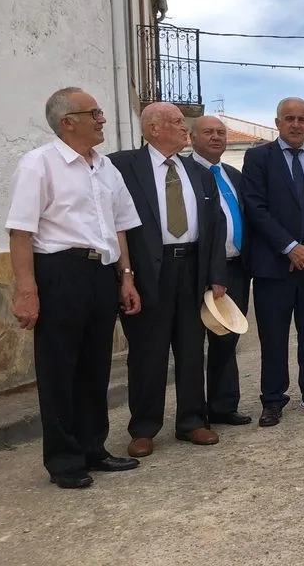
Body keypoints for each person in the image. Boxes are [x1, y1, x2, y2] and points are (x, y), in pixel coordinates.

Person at [6, 88, 142, 489]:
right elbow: (20, 231)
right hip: (59, 272)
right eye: (94, 113)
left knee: (95, 367)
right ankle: (64, 460)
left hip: (101, 273)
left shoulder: (106, 168)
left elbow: (120, 226)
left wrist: (126, 276)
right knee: (59, 368)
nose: (102, 119)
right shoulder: (39, 164)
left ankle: (93, 448)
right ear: (68, 122)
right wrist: (26, 290)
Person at [110, 102, 228, 458]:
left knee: (192, 349)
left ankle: (192, 421)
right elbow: (114, 221)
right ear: (153, 128)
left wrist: (216, 276)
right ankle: (144, 428)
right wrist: (125, 276)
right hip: (148, 271)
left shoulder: (198, 172)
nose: (184, 128)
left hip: (191, 268)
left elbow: (215, 225)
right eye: (177, 122)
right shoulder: (122, 166)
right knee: (148, 352)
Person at [241, 97, 304, 425]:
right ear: (278, 123)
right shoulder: (258, 158)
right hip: (274, 266)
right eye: (289, 118)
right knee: (274, 337)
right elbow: (255, 207)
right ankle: (273, 399)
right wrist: (289, 247)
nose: (296, 124)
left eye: (302, 119)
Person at [188, 115, 253, 424]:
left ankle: (223, 406)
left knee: (227, 337)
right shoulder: (185, 173)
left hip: (236, 268)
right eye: (208, 132)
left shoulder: (232, 175)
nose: (216, 137)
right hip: (197, 269)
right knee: (191, 342)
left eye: (220, 132)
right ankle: (192, 413)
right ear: (192, 138)